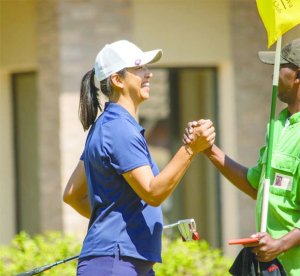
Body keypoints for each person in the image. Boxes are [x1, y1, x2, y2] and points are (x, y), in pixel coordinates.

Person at [63, 40, 216, 276]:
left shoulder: (107, 125)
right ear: (117, 80)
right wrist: (190, 148)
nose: (149, 74)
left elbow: (72, 195)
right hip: (116, 264)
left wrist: (118, 222)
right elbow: (153, 193)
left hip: (122, 262)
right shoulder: (119, 128)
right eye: (140, 68)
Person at [183, 38, 300, 276]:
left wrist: (280, 244)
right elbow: (257, 186)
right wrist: (208, 149)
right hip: (269, 267)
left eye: (279, 67)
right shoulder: (278, 124)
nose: (272, 75)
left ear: (298, 75)